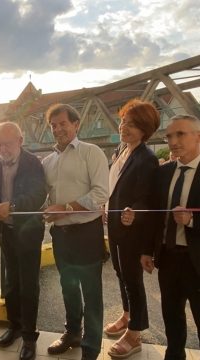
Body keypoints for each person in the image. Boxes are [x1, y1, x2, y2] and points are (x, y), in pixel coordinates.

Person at [0, 122, 47, 360]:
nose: (2, 149)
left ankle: (28, 336)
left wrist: (12, 207)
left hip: (27, 232)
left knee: (28, 285)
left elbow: (38, 195)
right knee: (11, 283)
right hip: (4, 231)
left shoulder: (33, 163)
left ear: (20, 141)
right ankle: (14, 326)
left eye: (7, 143)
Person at [42, 104, 109, 360]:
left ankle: (91, 347)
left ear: (76, 124)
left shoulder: (92, 153)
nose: (58, 129)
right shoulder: (48, 162)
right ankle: (73, 334)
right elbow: (47, 198)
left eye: (62, 123)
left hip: (86, 233)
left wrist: (66, 208)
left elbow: (102, 193)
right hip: (60, 236)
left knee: (91, 292)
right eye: (54, 125)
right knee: (68, 287)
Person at [141, 114, 200, 360]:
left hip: (197, 260)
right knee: (172, 317)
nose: (173, 141)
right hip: (168, 258)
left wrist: (193, 220)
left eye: (180, 134)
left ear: (198, 136)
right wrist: (146, 250)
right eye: (169, 136)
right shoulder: (163, 173)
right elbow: (154, 216)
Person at [105, 99, 160, 358]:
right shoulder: (121, 150)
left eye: (132, 124)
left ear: (145, 130)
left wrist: (135, 212)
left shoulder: (147, 158)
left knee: (133, 281)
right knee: (120, 274)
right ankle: (127, 315)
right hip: (115, 227)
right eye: (124, 121)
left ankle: (135, 333)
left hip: (132, 231)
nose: (124, 127)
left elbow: (148, 198)